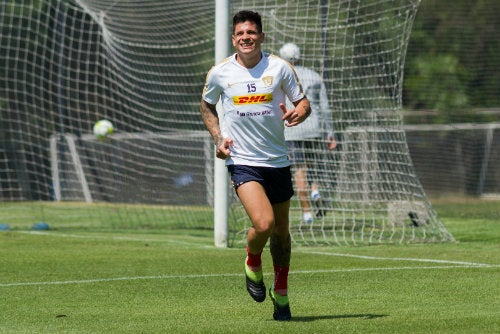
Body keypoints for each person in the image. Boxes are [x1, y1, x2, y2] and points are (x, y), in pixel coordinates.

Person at [200, 10, 311, 321]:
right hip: (243, 161)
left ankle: (283, 293)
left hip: (277, 161)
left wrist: (298, 113)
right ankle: (251, 261)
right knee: (264, 224)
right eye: (240, 34)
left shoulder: (279, 68)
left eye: (251, 32)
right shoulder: (220, 72)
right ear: (234, 39)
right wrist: (218, 136)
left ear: (261, 36)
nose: (246, 37)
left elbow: (303, 102)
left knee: (282, 235)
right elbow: (207, 105)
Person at [280, 42, 336, 224]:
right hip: (314, 128)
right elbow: (325, 107)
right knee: (313, 165)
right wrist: (330, 132)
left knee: (299, 171)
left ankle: (307, 213)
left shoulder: (280, 76)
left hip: (292, 130)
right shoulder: (314, 76)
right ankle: (315, 191)